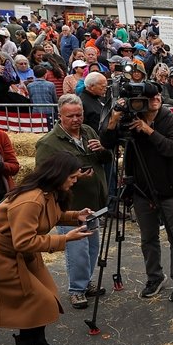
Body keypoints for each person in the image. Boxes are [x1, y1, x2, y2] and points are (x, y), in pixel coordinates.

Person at [0, 153, 95, 345]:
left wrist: (76, 216)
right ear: (59, 174)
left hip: (18, 250)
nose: (75, 181)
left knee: (46, 294)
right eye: (73, 177)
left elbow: (49, 216)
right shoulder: (31, 199)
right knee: (34, 299)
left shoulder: (49, 193)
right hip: (1, 252)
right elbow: (24, 241)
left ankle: (38, 344)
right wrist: (64, 239)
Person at [102, 82, 173, 301]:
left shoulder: (172, 120)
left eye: (158, 95)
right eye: (149, 98)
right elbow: (107, 142)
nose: (156, 99)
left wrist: (148, 130)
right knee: (148, 238)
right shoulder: (130, 118)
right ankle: (154, 277)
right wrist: (114, 118)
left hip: (170, 189)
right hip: (141, 189)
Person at [35, 95, 112, 309]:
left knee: (92, 248)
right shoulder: (48, 143)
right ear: (60, 116)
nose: (76, 119)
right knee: (77, 249)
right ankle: (76, 289)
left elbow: (107, 160)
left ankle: (86, 282)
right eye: (71, 116)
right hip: (71, 205)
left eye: (79, 115)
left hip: (95, 202)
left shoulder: (89, 131)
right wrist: (75, 175)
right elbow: (43, 178)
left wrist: (103, 151)